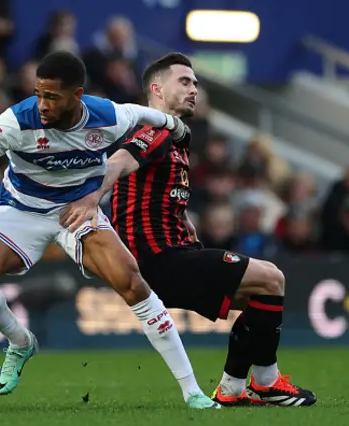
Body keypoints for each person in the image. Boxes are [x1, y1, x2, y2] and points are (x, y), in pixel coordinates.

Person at [0, 51, 219, 409]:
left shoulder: (109, 116)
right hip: (22, 209)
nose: (42, 104)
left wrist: (177, 127)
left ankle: (192, 390)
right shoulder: (14, 123)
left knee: (132, 281)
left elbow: (149, 115)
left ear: (77, 96)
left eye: (52, 97)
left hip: (76, 211)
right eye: (39, 94)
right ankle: (21, 342)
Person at [60, 52, 317, 407]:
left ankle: (231, 389)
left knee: (261, 297)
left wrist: (183, 220)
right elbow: (118, 163)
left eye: (195, 83)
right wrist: (91, 199)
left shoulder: (176, 139)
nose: (194, 89)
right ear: (157, 89)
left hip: (172, 254)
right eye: (184, 81)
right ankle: (266, 382)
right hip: (160, 259)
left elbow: (153, 192)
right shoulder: (155, 130)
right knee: (272, 278)